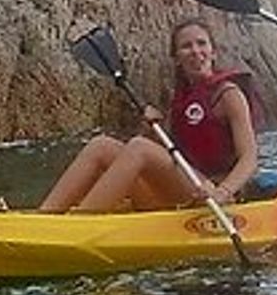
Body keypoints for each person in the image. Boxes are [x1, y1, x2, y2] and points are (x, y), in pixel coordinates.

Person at [36, 19, 260, 211]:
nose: (195, 51)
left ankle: (79, 224)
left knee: (139, 147)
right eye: (186, 46)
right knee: (101, 145)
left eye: (202, 43)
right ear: (176, 58)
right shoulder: (182, 98)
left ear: (213, 52)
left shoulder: (228, 94)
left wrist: (223, 192)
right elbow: (167, 157)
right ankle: (44, 217)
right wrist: (148, 128)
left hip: (214, 194)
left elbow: (249, 158)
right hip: (183, 189)